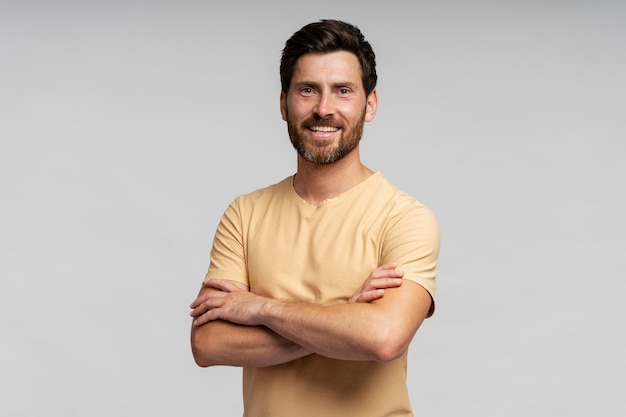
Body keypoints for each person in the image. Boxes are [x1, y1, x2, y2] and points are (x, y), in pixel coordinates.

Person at [190, 19, 440, 417]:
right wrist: (346, 316)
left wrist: (259, 309)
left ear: (369, 104)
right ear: (283, 103)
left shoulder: (404, 218)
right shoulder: (245, 214)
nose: (324, 108)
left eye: (343, 91)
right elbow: (208, 344)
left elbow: (383, 337)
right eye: (308, 90)